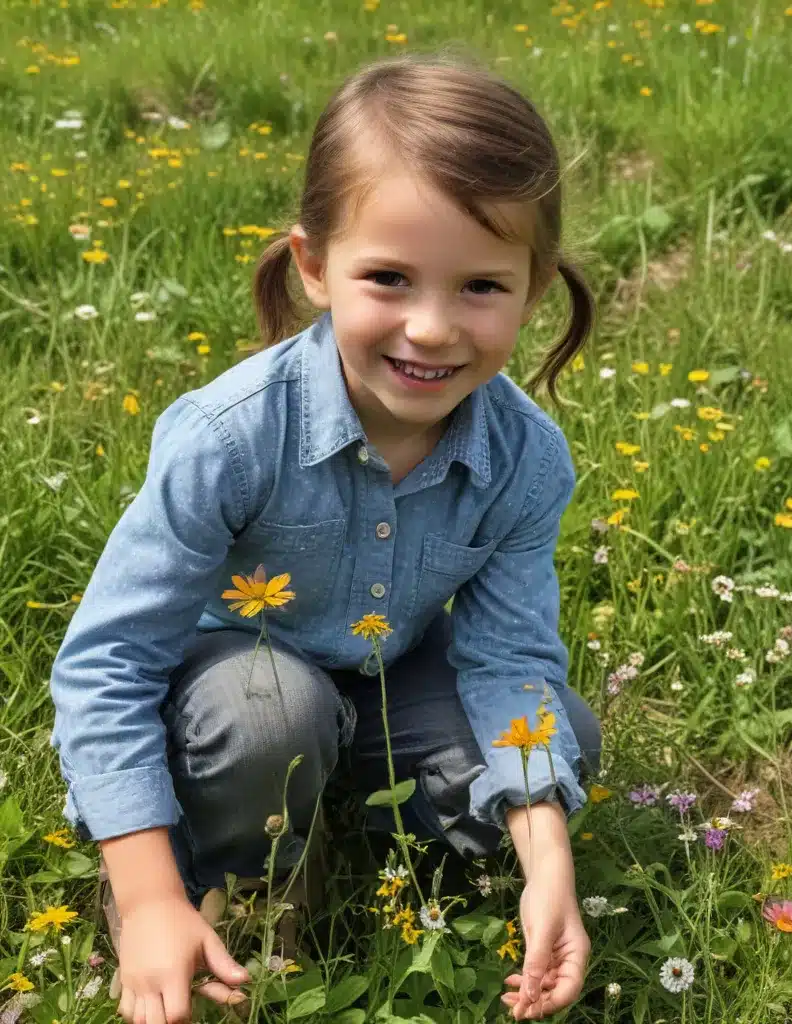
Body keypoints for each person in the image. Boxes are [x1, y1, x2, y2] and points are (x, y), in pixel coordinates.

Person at [48, 52, 602, 1024]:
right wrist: (144, 896)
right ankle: (222, 881)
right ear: (312, 265)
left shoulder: (526, 457)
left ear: (535, 287)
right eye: (387, 277)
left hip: (392, 685)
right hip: (233, 688)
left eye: (480, 286)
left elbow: (507, 654)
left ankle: (392, 835)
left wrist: (546, 856)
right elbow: (107, 661)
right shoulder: (232, 437)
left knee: (565, 735)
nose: (430, 328)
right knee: (270, 711)